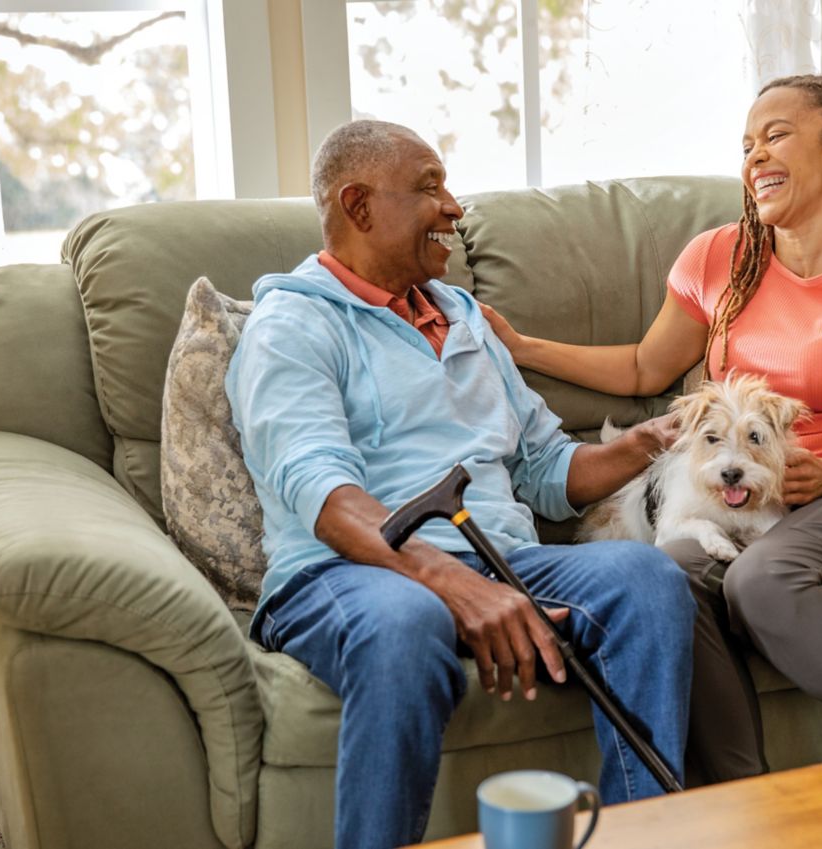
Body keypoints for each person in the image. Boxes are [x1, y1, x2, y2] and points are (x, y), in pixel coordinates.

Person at [482, 75, 822, 784]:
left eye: (776, 135)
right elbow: (643, 365)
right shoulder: (719, 257)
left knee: (760, 577)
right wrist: (525, 347)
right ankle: (739, 804)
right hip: (757, 505)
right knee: (663, 581)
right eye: (747, 144)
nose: (755, 156)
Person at [226, 119, 695, 849]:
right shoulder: (291, 324)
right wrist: (453, 583)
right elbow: (326, 498)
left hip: (499, 555)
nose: (454, 206)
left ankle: (639, 838)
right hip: (345, 571)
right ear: (358, 206)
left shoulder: (464, 315)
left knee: (645, 578)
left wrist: (641, 445)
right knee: (406, 622)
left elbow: (542, 469)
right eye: (428, 188)